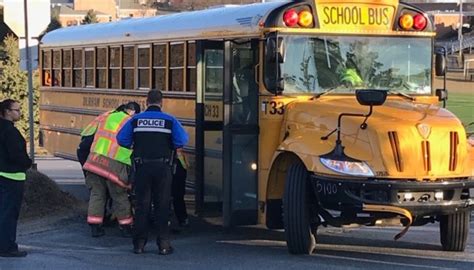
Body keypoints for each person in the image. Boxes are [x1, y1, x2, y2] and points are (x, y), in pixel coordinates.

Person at [117, 90, 188, 255]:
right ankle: (163, 245)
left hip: (142, 167)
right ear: (161, 102)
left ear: (146, 102)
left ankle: (139, 245)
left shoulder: (135, 120)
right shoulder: (170, 120)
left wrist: (137, 145)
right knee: (162, 205)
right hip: (163, 168)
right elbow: (182, 140)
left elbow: (122, 140)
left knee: (142, 205)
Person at [82, 102, 140, 238]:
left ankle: (95, 227)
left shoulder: (105, 116)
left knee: (97, 194)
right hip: (116, 163)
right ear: (132, 111)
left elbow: (85, 133)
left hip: (95, 160)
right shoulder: (129, 121)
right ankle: (125, 226)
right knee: (119, 195)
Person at [0, 99, 32, 257]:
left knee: (3, 212)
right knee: (9, 214)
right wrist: (28, 163)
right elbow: (16, 155)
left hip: (2, 175)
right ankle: (7, 247)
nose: (19, 113)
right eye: (17, 110)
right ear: (7, 111)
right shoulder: (10, 132)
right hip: (12, 177)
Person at [172, 150, 189, 227]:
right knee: (178, 195)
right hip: (176, 162)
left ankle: (181, 218)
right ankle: (181, 218)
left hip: (176, 163)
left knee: (177, 194)